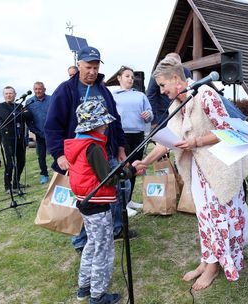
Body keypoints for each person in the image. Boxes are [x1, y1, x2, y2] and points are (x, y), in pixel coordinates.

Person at [133, 57, 248, 291]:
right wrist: (145, 162)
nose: (161, 90)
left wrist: (197, 140)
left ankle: (215, 266)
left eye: (162, 85)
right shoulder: (175, 106)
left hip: (220, 167)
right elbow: (168, 141)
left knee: (219, 217)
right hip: (198, 169)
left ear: (177, 79)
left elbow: (227, 129)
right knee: (205, 218)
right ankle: (207, 260)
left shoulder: (205, 95)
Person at [45, 46, 135, 256]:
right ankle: (81, 241)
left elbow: (115, 121)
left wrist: (121, 147)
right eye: (88, 67)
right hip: (81, 157)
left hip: (108, 153)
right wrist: (59, 154)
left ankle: (115, 228)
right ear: (79, 65)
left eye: (95, 67)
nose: (92, 72)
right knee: (84, 198)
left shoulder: (103, 90)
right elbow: (52, 126)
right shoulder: (65, 91)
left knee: (123, 187)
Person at [66, 100, 135, 304]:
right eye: (103, 123)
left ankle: (84, 287)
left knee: (92, 244)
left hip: (85, 202)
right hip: (96, 205)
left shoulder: (80, 142)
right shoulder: (93, 147)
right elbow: (108, 179)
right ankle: (98, 295)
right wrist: (130, 172)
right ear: (94, 125)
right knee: (103, 249)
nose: (106, 126)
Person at [113, 65, 153, 214]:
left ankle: (129, 200)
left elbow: (150, 113)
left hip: (138, 135)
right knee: (123, 168)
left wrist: (148, 115)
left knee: (135, 168)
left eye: (132, 76)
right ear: (119, 78)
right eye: (127, 76)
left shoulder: (140, 95)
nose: (130, 79)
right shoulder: (113, 95)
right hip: (121, 135)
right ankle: (122, 204)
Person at [0, 86, 33, 193]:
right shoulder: (1, 106)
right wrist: (20, 114)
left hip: (20, 137)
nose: (9, 95)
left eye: (11, 93)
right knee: (10, 163)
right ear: (3, 95)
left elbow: (29, 115)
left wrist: (19, 114)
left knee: (21, 161)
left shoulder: (19, 105)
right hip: (8, 138)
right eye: (6, 94)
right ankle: (7, 186)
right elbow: (9, 118)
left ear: (15, 94)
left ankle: (16, 183)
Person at [147, 52, 192, 129]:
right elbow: (151, 96)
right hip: (162, 114)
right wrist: (154, 121)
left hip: (182, 110)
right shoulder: (157, 74)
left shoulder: (186, 72)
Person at [26, 81, 51, 184]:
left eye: (40, 89)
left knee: (57, 154)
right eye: (35, 89)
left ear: (44, 89)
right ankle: (44, 174)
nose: (38, 91)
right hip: (39, 133)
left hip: (52, 132)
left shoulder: (52, 99)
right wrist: (35, 131)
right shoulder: (29, 102)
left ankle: (60, 174)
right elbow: (28, 120)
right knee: (41, 156)